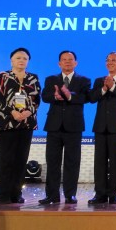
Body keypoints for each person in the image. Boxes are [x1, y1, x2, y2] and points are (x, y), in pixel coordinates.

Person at [39, 51, 91, 205]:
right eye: (64, 60)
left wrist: (70, 96)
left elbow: (86, 98)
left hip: (74, 127)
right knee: (52, 162)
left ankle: (70, 195)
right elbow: (44, 96)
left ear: (76, 63)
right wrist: (54, 96)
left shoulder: (84, 80)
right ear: (59, 63)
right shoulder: (51, 79)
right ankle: (52, 195)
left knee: (72, 162)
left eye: (70, 59)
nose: (67, 62)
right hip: (54, 126)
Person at [0, 47, 40, 204]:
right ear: (11, 60)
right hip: (6, 122)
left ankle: (16, 193)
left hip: (26, 123)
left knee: (21, 159)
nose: (22, 60)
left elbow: (36, 99)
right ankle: (4, 193)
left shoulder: (33, 78)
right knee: (6, 159)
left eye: (25, 58)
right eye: (18, 58)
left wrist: (28, 112)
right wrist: (12, 112)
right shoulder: (2, 77)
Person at [88, 52, 116, 205]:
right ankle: (99, 193)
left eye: (114, 60)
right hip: (100, 126)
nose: (110, 62)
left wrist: (113, 87)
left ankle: (113, 193)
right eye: (108, 60)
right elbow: (92, 98)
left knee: (115, 161)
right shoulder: (99, 80)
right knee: (99, 161)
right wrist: (103, 89)